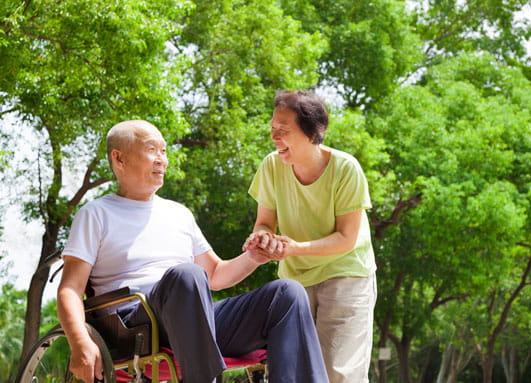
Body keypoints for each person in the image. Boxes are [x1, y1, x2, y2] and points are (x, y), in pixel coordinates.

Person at [57, 119, 328, 383]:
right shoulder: (95, 214)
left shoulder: (179, 213)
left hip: (197, 318)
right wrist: (79, 340)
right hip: (135, 326)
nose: (162, 159)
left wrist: (254, 257)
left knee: (287, 294)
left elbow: (215, 275)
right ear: (119, 159)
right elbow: (70, 288)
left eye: (164, 151)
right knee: (186, 275)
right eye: (152, 150)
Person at [244, 90, 377, 383]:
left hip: (346, 273)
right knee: (294, 373)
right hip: (296, 280)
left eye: (284, 131)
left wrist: (293, 248)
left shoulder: (345, 169)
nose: (275, 137)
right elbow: (264, 223)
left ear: (312, 133)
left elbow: (346, 238)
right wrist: (264, 240)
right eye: (272, 130)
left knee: (338, 373)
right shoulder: (271, 166)